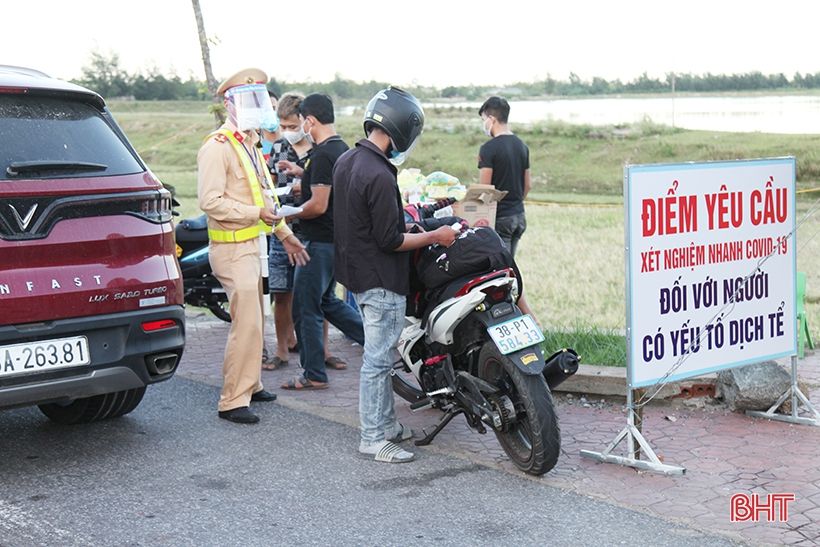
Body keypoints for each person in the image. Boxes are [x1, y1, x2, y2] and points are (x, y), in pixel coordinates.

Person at [334, 87, 458, 463]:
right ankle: (373, 437)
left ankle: (386, 425)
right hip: (382, 281)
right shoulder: (380, 173)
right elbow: (389, 239)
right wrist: (436, 235)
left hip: (356, 276)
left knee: (381, 357)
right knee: (378, 360)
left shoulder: (348, 160)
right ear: (402, 130)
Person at [198, 68, 309, 424]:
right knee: (245, 325)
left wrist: (285, 235)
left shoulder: (249, 144)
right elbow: (210, 201)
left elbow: (263, 196)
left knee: (254, 323)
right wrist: (254, 212)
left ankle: (252, 383)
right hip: (232, 249)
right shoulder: (217, 147)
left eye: (258, 99)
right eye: (248, 100)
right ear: (231, 105)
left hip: (253, 246)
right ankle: (233, 399)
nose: (257, 107)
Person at [281, 93, 364, 391]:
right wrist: (303, 174)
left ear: (310, 120)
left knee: (305, 307)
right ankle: (377, 340)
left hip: (317, 242)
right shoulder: (341, 149)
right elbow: (328, 183)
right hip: (337, 241)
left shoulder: (322, 154)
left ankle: (314, 373)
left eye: (300, 121)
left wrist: (285, 216)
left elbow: (317, 205)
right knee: (328, 301)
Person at [477, 96, 531, 258]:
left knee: (501, 270)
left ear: (491, 119)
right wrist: (515, 204)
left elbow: (485, 190)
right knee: (510, 264)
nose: (484, 124)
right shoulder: (522, 146)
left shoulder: (488, 148)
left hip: (500, 218)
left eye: (483, 119)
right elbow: (528, 185)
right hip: (519, 216)